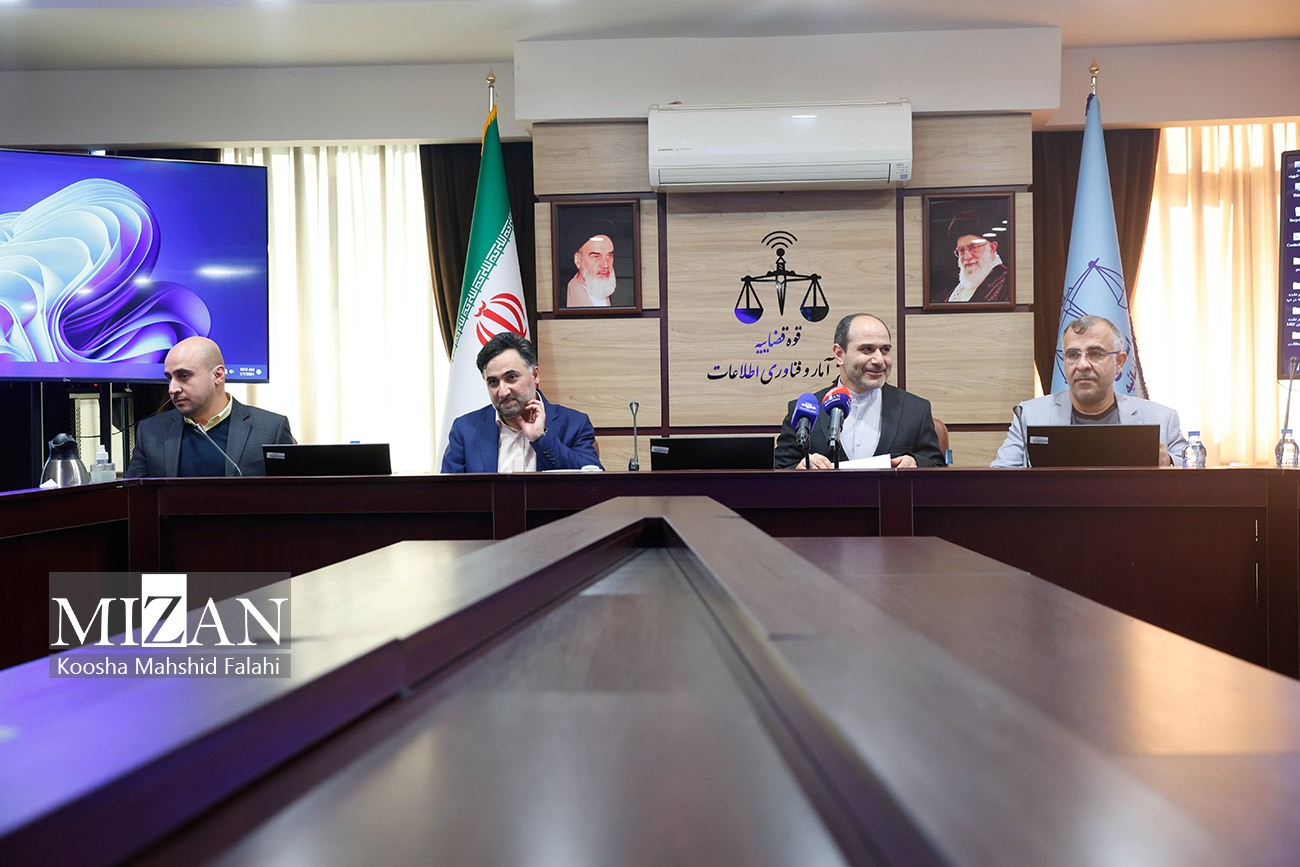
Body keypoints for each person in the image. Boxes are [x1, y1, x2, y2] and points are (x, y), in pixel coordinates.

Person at [992, 315, 1188, 467]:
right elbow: (999, 480)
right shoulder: (1029, 415)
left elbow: (1194, 471)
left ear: (1119, 362)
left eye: (1095, 354)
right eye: (1073, 354)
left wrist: (1168, 461)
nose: (1082, 365)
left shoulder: (1162, 418)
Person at [774, 313, 945, 469]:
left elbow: (937, 467)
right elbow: (779, 470)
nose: (879, 360)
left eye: (885, 350)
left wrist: (916, 463)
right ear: (839, 354)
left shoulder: (915, 410)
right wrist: (800, 468)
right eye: (867, 349)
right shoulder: (805, 411)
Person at [126, 336, 294, 477]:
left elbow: (291, 497)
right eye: (169, 378)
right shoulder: (151, 432)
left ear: (218, 375)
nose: (172, 389)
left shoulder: (271, 429)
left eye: (183, 376)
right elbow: (132, 498)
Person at [441, 331, 602, 473]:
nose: (503, 392)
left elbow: (592, 483)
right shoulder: (465, 430)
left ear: (535, 375)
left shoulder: (574, 424)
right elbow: (447, 493)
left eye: (511, 377)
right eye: (493, 382)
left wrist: (542, 439)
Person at [943, 210, 1009, 304]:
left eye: (973, 247)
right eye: (961, 250)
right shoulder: (956, 291)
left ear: (992, 247)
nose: (967, 257)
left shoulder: (1007, 283)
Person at [566, 233, 617, 307]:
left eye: (609, 256)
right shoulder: (570, 293)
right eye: (596, 257)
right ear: (578, 260)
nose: (605, 265)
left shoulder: (603, 288)